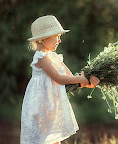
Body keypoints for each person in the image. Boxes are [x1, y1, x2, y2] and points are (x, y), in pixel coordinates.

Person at [21, 15, 100, 144]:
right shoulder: (41, 57)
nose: (59, 40)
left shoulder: (53, 57)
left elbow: (69, 78)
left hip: (52, 104)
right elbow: (58, 78)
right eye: (57, 36)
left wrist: (86, 83)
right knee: (43, 138)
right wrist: (81, 79)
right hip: (41, 105)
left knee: (53, 138)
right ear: (44, 38)